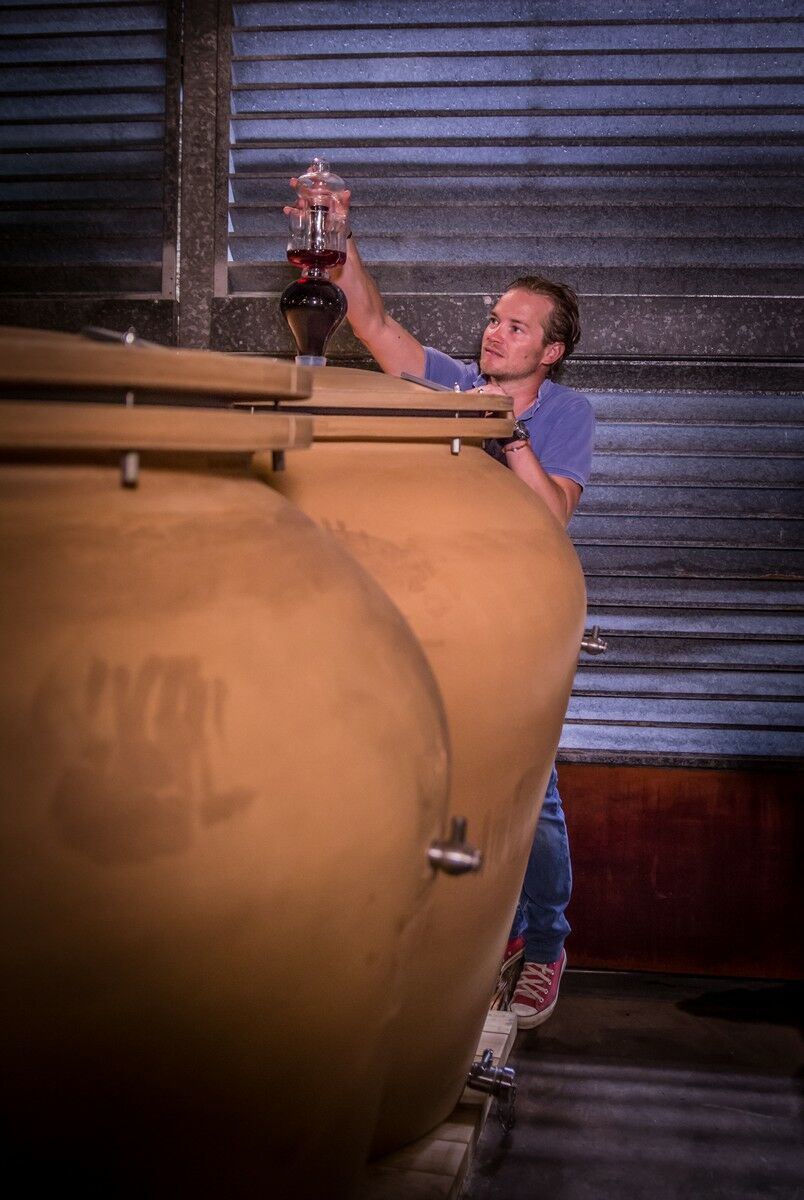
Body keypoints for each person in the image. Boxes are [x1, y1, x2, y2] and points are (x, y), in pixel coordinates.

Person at [300, 183, 594, 1028]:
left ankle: (545, 945)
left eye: (515, 326)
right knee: (426, 767)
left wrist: (505, 428)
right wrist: (338, 237)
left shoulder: (566, 414)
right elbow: (374, 328)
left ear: (553, 352)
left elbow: (552, 517)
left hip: (526, 621)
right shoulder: (451, 383)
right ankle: (458, 936)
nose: (493, 332)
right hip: (445, 613)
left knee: (533, 792)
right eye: (494, 317)